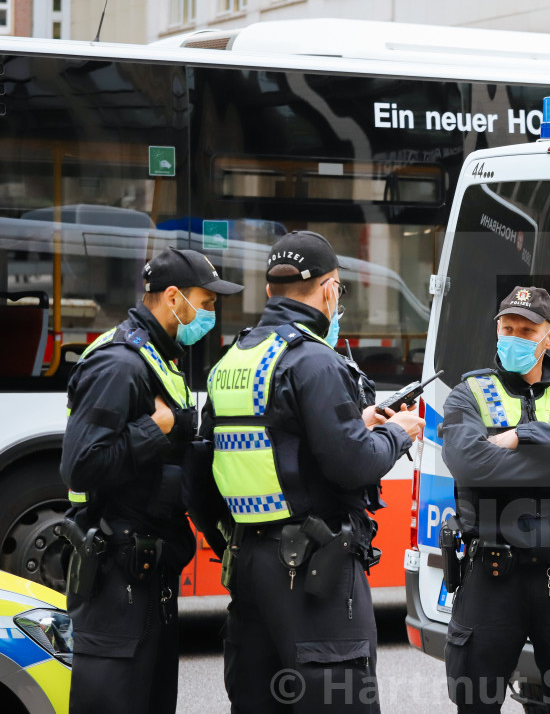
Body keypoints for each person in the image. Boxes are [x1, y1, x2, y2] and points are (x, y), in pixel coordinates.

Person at [192, 231, 425, 713]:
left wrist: (233, 544)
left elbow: (211, 468)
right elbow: (351, 464)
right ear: (330, 288)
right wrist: (397, 432)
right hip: (314, 568)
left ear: (269, 291)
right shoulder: (315, 360)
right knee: (336, 697)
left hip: (250, 561)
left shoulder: (232, 360)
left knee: (260, 699)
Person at [61, 247, 243, 714]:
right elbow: (80, 466)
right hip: (117, 574)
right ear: (172, 297)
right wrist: (155, 428)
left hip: (149, 573)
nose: (209, 312)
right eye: (205, 302)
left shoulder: (159, 357)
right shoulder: (119, 363)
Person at [440, 286, 550, 713]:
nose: (515, 338)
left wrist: (524, 435)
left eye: (527, 329)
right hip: (491, 573)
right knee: (476, 703)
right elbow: (470, 465)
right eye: (508, 328)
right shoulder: (469, 394)